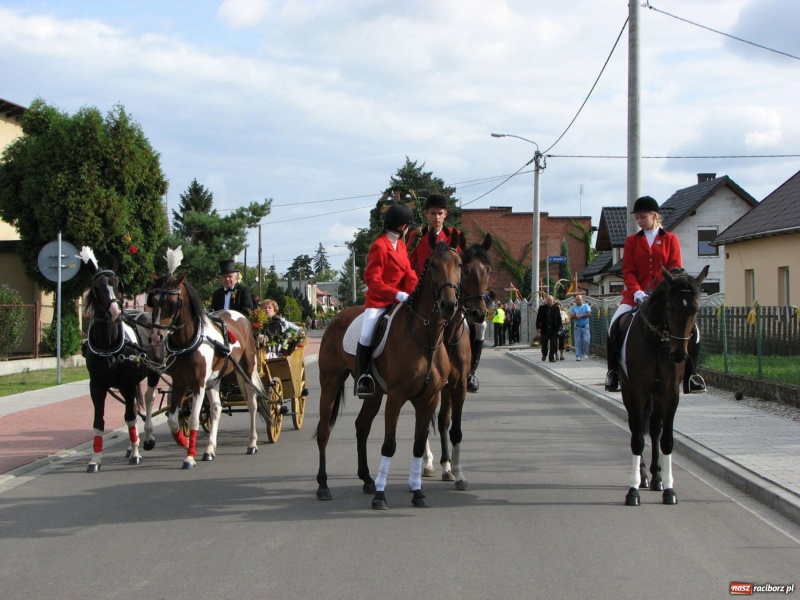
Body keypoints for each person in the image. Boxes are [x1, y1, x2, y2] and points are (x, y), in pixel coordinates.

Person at [604, 196, 706, 394]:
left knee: (694, 332)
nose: (639, 221)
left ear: (654, 216)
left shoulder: (670, 239)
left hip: (665, 296)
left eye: (643, 217)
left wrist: (664, 291)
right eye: (637, 218)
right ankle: (613, 373)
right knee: (614, 326)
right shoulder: (632, 241)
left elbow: (675, 268)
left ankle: (691, 375)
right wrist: (637, 292)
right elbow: (628, 271)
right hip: (635, 295)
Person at [406, 193, 485, 393]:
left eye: (440, 213)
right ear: (426, 214)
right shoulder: (417, 236)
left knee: (480, 325)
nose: (436, 217)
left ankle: (471, 370)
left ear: (445, 214)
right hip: (423, 293)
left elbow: (463, 266)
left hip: (449, 294)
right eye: (433, 213)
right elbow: (409, 264)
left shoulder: (454, 235)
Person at [356, 203, 419, 398]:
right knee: (366, 335)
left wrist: (417, 291)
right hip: (379, 301)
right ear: (402, 226)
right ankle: (363, 377)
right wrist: (396, 294)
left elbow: (408, 273)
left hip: (399, 301)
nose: (408, 229)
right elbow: (372, 280)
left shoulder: (400, 245)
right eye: (408, 226)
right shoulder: (379, 245)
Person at [535, 295, 562, 362]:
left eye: (551, 300)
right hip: (544, 329)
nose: (549, 301)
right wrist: (538, 327)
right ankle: (544, 354)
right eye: (548, 300)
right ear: (546, 301)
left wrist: (559, 327)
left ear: (553, 301)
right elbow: (538, 319)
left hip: (553, 329)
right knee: (544, 344)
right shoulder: (542, 308)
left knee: (553, 344)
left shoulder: (556, 308)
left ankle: (551, 358)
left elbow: (559, 319)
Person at [569, 294, 591, 361]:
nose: (578, 301)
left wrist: (581, 316)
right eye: (577, 300)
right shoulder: (573, 308)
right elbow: (571, 316)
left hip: (585, 327)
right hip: (577, 327)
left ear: (582, 300)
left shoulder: (586, 306)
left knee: (586, 340)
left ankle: (586, 353)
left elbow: (589, 314)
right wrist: (575, 316)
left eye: (579, 300)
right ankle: (578, 356)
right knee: (578, 342)